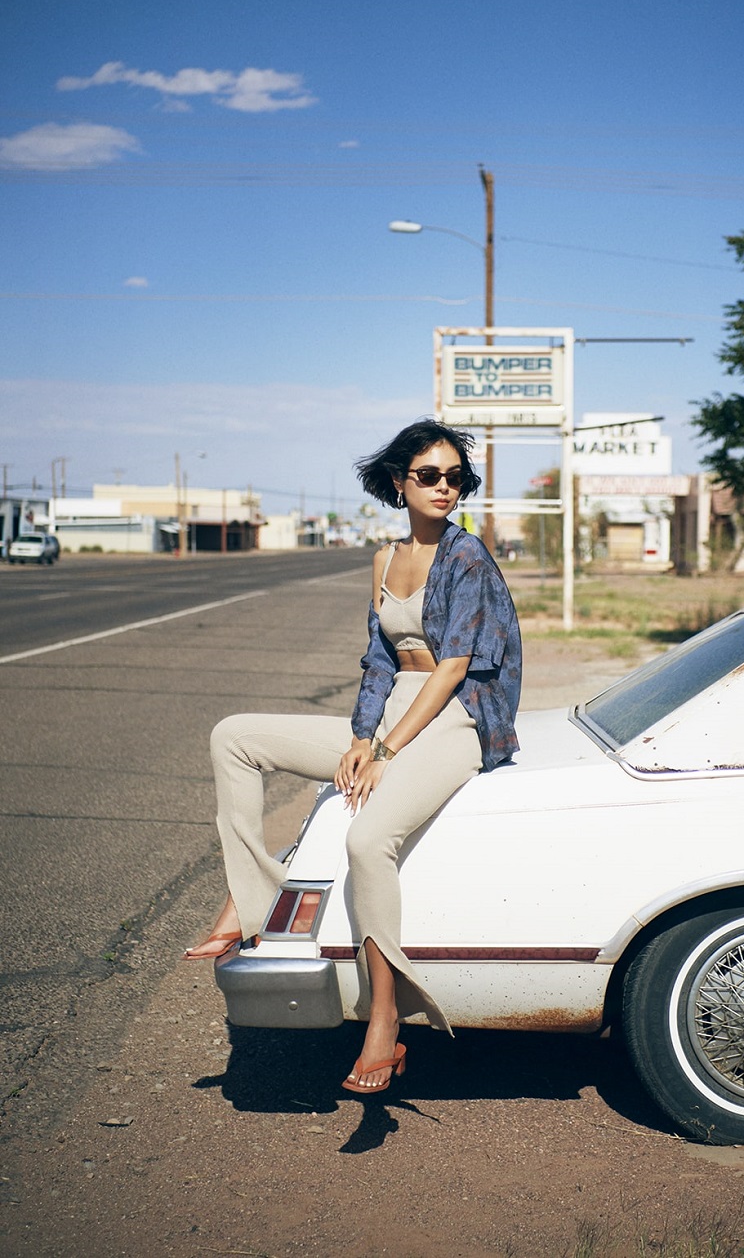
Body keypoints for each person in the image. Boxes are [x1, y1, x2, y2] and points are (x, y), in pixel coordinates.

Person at [185, 419, 522, 1094]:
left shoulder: (468, 558)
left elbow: (453, 669)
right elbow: (376, 662)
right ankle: (254, 901)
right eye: (429, 475)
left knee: (368, 839)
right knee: (235, 737)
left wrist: (388, 750)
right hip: (397, 707)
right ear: (400, 482)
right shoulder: (382, 560)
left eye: (455, 476)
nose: (444, 487)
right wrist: (360, 741)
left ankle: (385, 1021)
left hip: (456, 719)